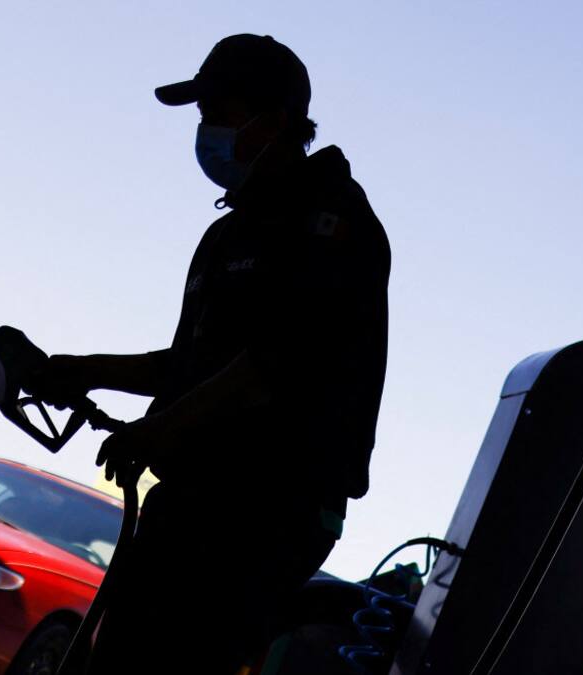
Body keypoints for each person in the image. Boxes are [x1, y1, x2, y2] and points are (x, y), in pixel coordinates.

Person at [35, 34, 390, 674]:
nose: (205, 133)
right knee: (114, 653)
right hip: (200, 491)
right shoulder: (228, 235)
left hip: (269, 508)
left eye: (215, 115)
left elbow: (276, 363)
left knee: (168, 657)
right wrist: (69, 371)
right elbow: (188, 365)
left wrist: (160, 428)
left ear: (275, 120)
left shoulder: (332, 220)